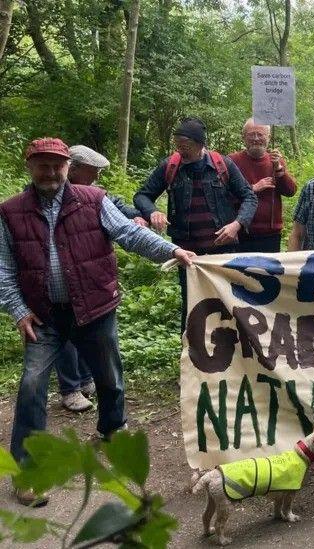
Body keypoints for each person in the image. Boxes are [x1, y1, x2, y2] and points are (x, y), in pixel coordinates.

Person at [0, 138, 196, 506]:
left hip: (94, 307)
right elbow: (4, 270)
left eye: (57, 165)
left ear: (67, 167)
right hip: (43, 316)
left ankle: (111, 428)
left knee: (108, 374)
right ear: (29, 166)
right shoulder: (10, 212)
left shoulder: (93, 200)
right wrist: (18, 310)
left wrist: (171, 250)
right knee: (30, 384)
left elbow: (129, 233)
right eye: (42, 165)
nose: (50, 172)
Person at [47, 145, 148, 414]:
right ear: (74, 169)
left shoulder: (93, 196)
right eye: (93, 173)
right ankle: (70, 389)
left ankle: (85, 379)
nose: (97, 179)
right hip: (60, 284)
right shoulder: (45, 196)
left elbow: (116, 209)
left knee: (89, 332)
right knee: (65, 339)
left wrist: (137, 215)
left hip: (90, 282)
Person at [135, 117, 256, 331]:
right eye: (178, 145)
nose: (181, 150)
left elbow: (249, 196)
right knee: (192, 302)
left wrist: (237, 224)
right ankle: (192, 353)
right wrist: (152, 212)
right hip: (188, 254)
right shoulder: (170, 166)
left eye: (186, 146)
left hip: (223, 250)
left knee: (229, 300)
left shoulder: (223, 165)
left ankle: (233, 350)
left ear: (201, 144)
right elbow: (142, 195)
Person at [228, 118, 298, 252]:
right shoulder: (232, 161)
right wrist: (253, 188)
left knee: (267, 273)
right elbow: (224, 196)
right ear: (243, 137)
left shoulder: (276, 161)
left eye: (260, 134)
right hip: (240, 232)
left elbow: (290, 191)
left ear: (268, 137)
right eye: (251, 134)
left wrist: (278, 169)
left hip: (270, 235)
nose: (256, 138)